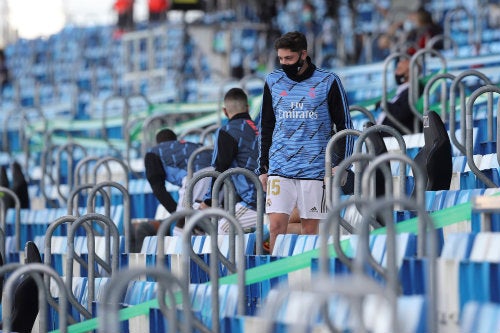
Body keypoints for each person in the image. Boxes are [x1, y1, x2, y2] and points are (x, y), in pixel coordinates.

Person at [257, 31, 354, 253]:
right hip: (280, 167)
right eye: (280, 59)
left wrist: (343, 162)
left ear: (303, 54)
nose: (284, 64)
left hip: (315, 169)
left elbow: (345, 126)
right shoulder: (272, 81)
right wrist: (263, 168)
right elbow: (267, 126)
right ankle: (276, 275)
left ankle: (309, 274)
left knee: (311, 231)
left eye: (288, 59)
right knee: (275, 227)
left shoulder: (328, 81)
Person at [133, 128, 212, 251]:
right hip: (220, 176)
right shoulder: (192, 145)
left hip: (197, 177)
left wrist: (176, 213)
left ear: (158, 142)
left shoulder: (153, 153)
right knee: (202, 220)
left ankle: (182, 262)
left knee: (181, 226)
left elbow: (158, 189)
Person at [199, 87, 260, 234]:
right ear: (248, 107)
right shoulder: (261, 127)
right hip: (276, 198)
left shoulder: (226, 131)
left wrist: (209, 201)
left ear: (225, 111)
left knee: (221, 231)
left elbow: (220, 169)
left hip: (255, 202)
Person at [376, 57, 423, 135]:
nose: (396, 72)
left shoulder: (415, 90)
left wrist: (384, 104)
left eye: (399, 69)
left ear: (408, 73)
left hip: (395, 135)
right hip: (384, 133)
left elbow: (402, 113)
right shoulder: (403, 90)